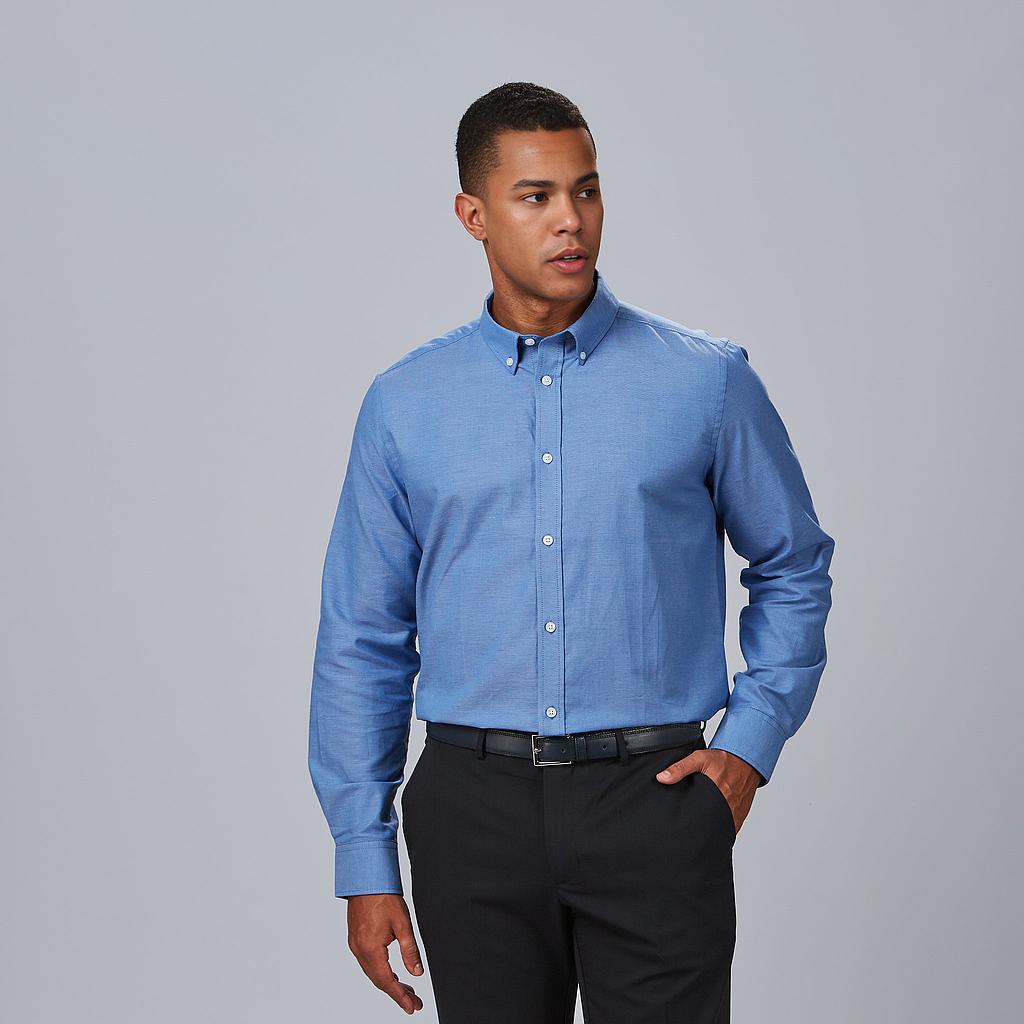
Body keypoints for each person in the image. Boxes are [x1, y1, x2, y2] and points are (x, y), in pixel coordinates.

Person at [308, 81, 835, 1023]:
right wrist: (363, 853)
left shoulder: (705, 382)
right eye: (536, 196)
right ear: (473, 215)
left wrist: (747, 748)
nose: (571, 220)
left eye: (586, 190)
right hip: (471, 811)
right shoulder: (405, 404)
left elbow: (793, 563)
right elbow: (363, 634)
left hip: (655, 800)